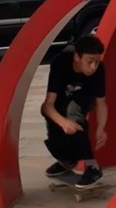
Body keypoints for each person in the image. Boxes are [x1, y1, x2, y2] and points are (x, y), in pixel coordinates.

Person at [41, 34, 108, 189]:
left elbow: (101, 103)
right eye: (89, 61)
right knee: (56, 115)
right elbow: (47, 106)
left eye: (97, 61)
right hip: (61, 99)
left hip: (84, 97)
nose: (93, 67)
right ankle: (66, 161)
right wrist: (62, 122)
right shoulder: (60, 64)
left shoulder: (98, 71)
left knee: (73, 111)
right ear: (77, 57)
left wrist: (101, 128)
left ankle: (92, 166)